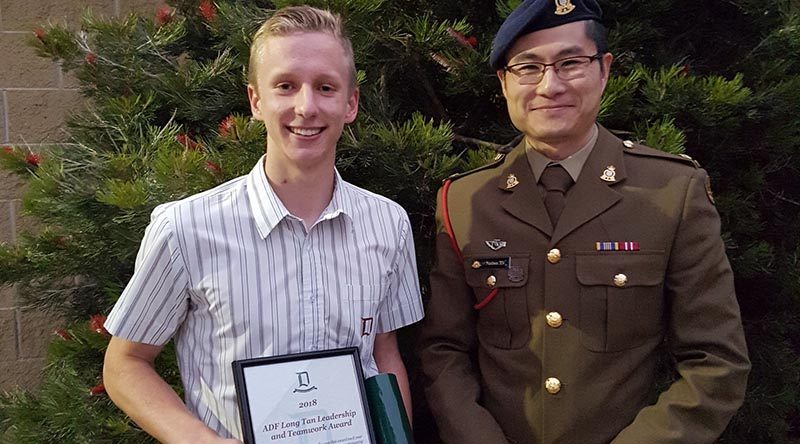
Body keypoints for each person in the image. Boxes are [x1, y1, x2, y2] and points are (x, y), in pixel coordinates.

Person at [418, 1, 750, 443]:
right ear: (504, 82)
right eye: (528, 67)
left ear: (604, 70)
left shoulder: (672, 192)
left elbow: (716, 362)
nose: (549, 85)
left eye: (571, 62)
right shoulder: (462, 201)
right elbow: (444, 351)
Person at [103, 6, 423, 443]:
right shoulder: (185, 228)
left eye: (325, 87)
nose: (306, 106)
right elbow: (124, 364)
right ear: (256, 100)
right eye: (286, 86)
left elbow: (385, 356)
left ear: (350, 103)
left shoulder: (388, 224)